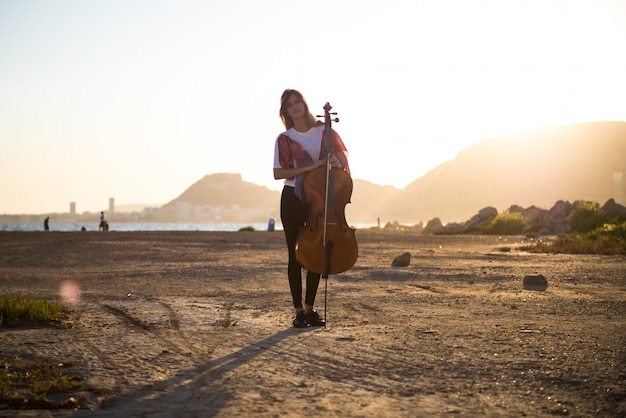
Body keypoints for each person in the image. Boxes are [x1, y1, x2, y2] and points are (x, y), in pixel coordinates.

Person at [273, 89, 351, 328]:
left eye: (298, 101)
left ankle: (310, 309)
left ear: (304, 105)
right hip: (293, 197)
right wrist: (310, 167)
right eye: (289, 104)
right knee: (294, 256)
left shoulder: (325, 133)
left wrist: (337, 162)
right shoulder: (284, 138)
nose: (295, 106)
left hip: (319, 197)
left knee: (317, 250)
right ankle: (298, 311)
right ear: (285, 111)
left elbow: (341, 162)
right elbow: (278, 173)